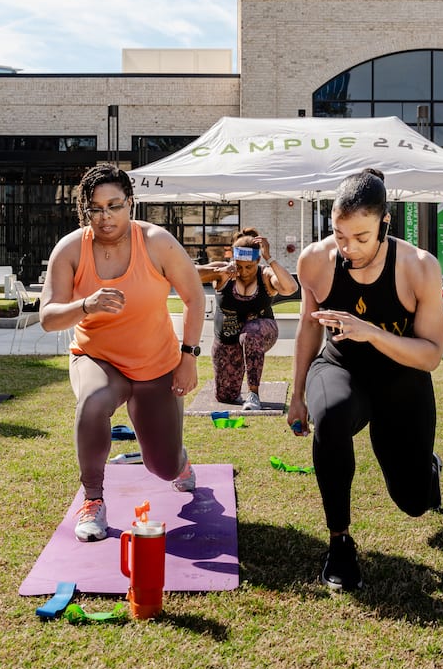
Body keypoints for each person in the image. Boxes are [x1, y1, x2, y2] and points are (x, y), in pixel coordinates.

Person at [287, 169, 443, 592]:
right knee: (331, 417)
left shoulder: (418, 266)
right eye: (340, 234)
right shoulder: (315, 261)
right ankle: (339, 542)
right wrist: (297, 394)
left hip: (402, 378)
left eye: (361, 237)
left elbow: (431, 355)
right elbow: (308, 327)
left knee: (413, 502)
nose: (349, 247)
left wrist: (372, 332)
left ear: (385, 223)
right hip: (341, 368)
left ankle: (427, 469)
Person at [39, 163, 206, 542]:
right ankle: (93, 500)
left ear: (130, 203)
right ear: (84, 211)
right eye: (95, 209)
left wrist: (189, 356)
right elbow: (48, 318)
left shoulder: (157, 242)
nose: (105, 217)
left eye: (114, 206)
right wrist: (86, 305)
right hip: (97, 357)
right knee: (93, 401)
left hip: (156, 363)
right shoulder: (71, 249)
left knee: (162, 466)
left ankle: (179, 462)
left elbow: (195, 297)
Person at [197, 228, 298, 410]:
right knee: (225, 396)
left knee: (250, 333)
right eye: (239, 266)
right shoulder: (224, 271)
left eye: (249, 267)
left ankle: (253, 394)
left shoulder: (265, 275)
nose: (243, 272)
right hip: (228, 338)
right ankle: (235, 386)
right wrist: (220, 270)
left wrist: (269, 258)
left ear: (257, 261)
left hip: (261, 332)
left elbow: (291, 287)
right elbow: (187, 272)